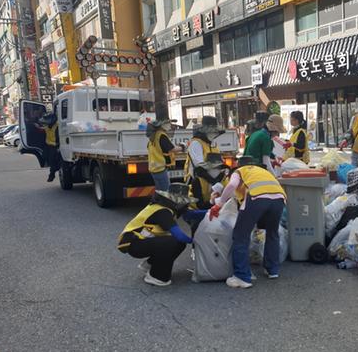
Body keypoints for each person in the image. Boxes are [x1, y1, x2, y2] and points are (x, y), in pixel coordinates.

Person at [210, 156, 286, 289]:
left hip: (257, 198)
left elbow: (232, 185)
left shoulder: (239, 171)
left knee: (240, 235)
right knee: (272, 233)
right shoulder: (262, 172)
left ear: (238, 166)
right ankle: (272, 270)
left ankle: (241, 277)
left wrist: (219, 204)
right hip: (279, 199)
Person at [117, 183, 200, 287]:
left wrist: (215, 210)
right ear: (177, 202)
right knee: (172, 242)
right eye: (183, 203)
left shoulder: (164, 206)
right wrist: (196, 241)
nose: (185, 206)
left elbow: (192, 214)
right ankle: (156, 276)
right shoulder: (162, 212)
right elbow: (179, 235)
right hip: (134, 244)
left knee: (178, 243)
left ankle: (150, 265)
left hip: (142, 241)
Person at [183, 116, 225, 201]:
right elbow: (199, 168)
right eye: (213, 131)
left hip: (211, 183)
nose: (215, 134)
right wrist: (214, 180)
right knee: (200, 206)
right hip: (197, 182)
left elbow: (218, 162)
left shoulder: (212, 144)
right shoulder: (195, 143)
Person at [147, 119, 185, 191]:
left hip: (154, 169)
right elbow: (172, 149)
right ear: (162, 125)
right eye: (168, 123)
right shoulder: (161, 136)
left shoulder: (154, 136)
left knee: (160, 192)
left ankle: (159, 202)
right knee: (166, 192)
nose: (170, 125)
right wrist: (182, 148)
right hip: (160, 169)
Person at [35, 113, 60, 182]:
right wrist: (36, 126)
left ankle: (52, 174)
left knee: (52, 161)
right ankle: (55, 168)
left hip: (55, 146)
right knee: (44, 156)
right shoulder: (48, 126)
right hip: (48, 145)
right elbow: (42, 129)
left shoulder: (57, 126)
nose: (45, 123)